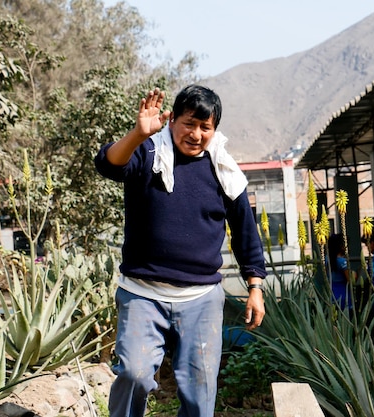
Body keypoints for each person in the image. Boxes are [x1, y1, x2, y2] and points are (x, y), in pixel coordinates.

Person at [94, 85, 267, 417]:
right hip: (143, 294)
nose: (196, 134)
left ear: (214, 130)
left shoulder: (224, 171)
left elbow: (246, 232)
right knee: (134, 375)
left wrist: (255, 286)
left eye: (206, 127)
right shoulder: (147, 154)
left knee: (199, 395)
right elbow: (108, 165)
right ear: (172, 119)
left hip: (201, 299)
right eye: (190, 123)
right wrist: (137, 133)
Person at [327, 233, 352, 310]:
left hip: (332, 293)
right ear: (342, 247)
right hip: (343, 294)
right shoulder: (342, 261)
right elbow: (350, 279)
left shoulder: (327, 259)